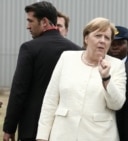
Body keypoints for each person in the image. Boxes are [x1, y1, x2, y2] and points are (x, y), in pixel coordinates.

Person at [36, 17, 126, 141]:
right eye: (98, 35)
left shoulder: (117, 65)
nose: (102, 41)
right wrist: (42, 136)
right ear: (86, 38)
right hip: (63, 135)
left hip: (99, 136)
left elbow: (117, 104)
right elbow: (50, 101)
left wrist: (106, 78)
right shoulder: (66, 58)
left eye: (107, 38)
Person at [2, 1, 81, 141]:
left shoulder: (29, 48)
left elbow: (19, 91)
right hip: (65, 128)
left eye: (30, 21)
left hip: (33, 128)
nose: (28, 26)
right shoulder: (76, 50)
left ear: (44, 22)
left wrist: (9, 128)